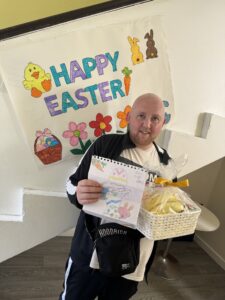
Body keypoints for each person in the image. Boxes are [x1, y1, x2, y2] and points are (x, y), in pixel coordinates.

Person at [60, 93, 172, 300]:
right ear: (129, 117)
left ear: (162, 123)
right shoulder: (105, 144)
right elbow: (71, 184)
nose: (147, 124)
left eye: (155, 118)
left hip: (132, 262)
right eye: (141, 116)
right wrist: (78, 192)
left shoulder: (166, 163)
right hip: (90, 255)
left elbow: (165, 208)